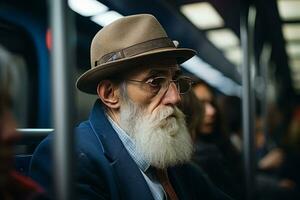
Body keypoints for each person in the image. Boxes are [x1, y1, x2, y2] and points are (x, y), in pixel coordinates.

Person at [29, 14, 232, 200]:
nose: (175, 97)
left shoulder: (170, 158)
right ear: (110, 94)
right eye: (154, 82)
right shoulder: (68, 159)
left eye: (175, 80)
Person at [190, 79, 243, 199]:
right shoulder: (200, 156)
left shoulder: (222, 145)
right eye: (200, 104)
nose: (211, 111)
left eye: (211, 103)